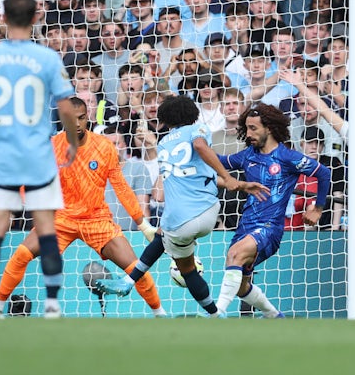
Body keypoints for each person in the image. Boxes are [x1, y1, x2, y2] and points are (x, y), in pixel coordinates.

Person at [0, 0, 80, 318]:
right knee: (45, 227)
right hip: (38, 155)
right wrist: (71, 140)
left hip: (2, 155)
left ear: (2, 18)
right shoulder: (48, 59)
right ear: (35, 18)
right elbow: (67, 108)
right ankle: (53, 305)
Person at [96, 95, 268, 317]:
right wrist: (234, 181)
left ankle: (129, 280)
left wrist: (231, 178)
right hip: (208, 212)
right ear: (193, 114)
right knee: (186, 268)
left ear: (165, 120)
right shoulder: (199, 129)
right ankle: (215, 314)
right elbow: (203, 168)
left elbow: (194, 153)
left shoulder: (163, 143)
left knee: (165, 236)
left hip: (180, 220)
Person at [0, 97, 165, 317]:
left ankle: (160, 314)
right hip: (61, 219)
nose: (77, 124)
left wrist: (142, 224)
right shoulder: (52, 147)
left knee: (135, 269)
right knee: (20, 255)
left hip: (96, 220)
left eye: (82, 118)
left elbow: (121, 187)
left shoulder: (104, 147)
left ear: (88, 118)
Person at [214, 103, 331, 317]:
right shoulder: (247, 155)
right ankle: (274, 316)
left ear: (268, 128)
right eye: (246, 128)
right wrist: (199, 147)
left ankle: (216, 313)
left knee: (235, 254)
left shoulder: (288, 157)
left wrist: (318, 208)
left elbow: (324, 174)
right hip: (246, 226)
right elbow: (221, 162)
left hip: (270, 228)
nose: (248, 134)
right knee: (240, 286)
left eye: (253, 128)